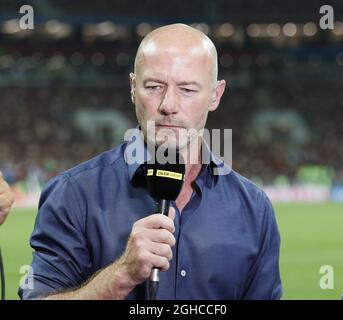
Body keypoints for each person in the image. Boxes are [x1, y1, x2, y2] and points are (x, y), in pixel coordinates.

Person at [19, 24, 282, 300]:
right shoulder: (73, 194)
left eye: (188, 89)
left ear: (215, 95)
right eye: (155, 86)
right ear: (134, 88)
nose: (169, 104)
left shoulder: (255, 208)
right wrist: (122, 274)